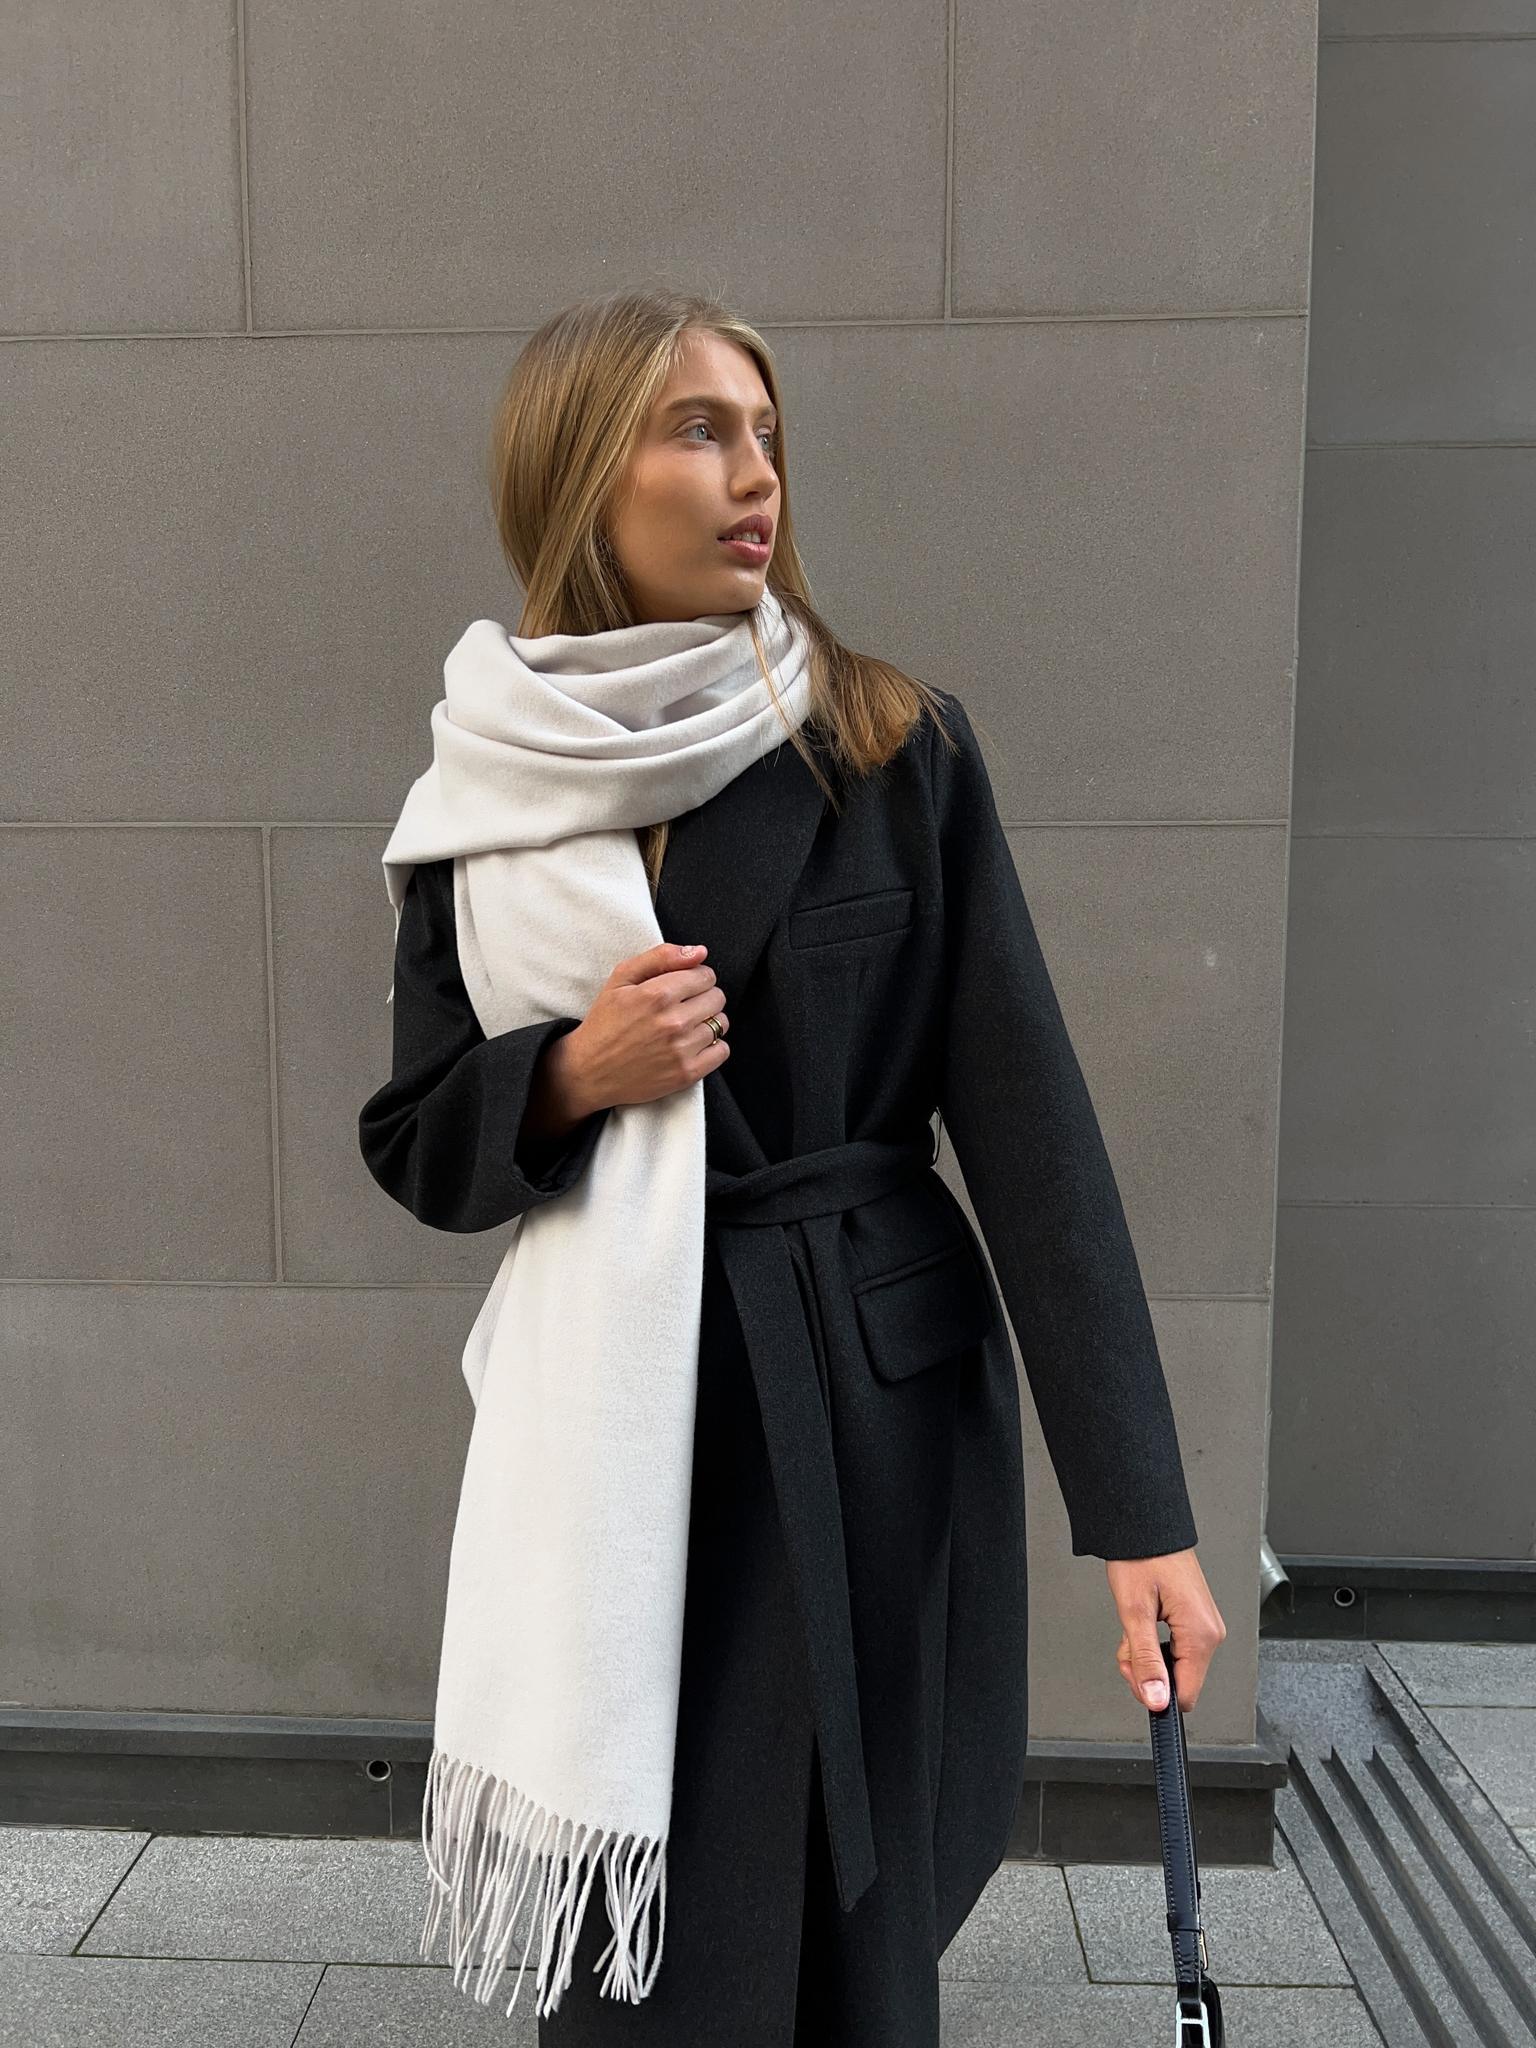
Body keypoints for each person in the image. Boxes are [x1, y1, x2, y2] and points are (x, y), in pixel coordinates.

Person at [358, 287, 1226, 2048]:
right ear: (581, 473)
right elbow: (418, 1142)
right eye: (699, 430)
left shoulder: (887, 743)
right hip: (621, 1424)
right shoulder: (487, 791)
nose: (755, 474)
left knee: (846, 1908)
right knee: (648, 1924)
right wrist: (569, 1075)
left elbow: (1033, 1136)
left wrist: (1140, 1515)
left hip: (860, 1403)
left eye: (767, 434)